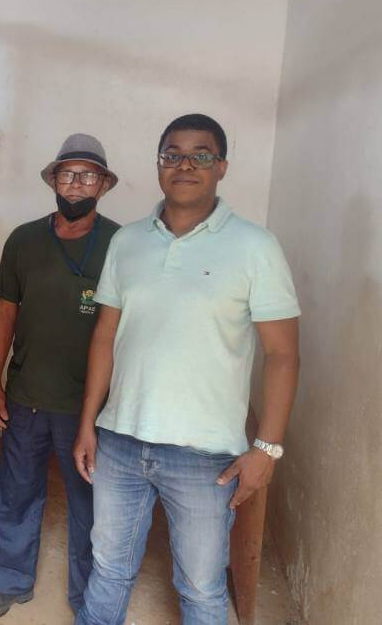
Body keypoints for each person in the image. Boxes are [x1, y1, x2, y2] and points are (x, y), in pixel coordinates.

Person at [73, 114, 301, 625]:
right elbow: (105, 336)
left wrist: (267, 448)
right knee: (108, 568)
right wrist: (90, 422)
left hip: (206, 456)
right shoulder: (127, 242)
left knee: (200, 587)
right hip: (121, 442)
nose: (185, 165)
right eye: (172, 154)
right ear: (159, 165)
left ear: (221, 167)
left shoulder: (255, 247)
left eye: (200, 155)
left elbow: (283, 354)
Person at [0, 134, 120, 619]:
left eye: (87, 175)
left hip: (90, 406)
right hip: (28, 395)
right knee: (17, 492)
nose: (76, 185)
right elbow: (6, 311)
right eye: (67, 174)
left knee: (90, 506)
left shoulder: (122, 243)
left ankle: (86, 597)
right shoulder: (25, 239)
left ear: (103, 184)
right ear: (54, 181)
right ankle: (11, 580)